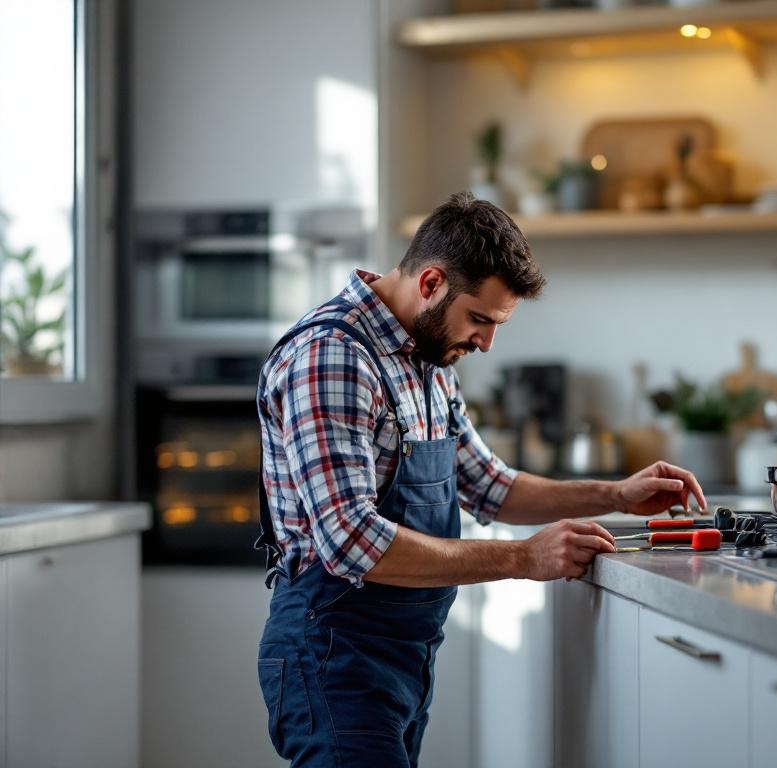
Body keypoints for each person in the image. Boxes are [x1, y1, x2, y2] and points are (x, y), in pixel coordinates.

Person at [255, 192, 706, 768]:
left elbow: (491, 486)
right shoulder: (334, 357)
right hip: (333, 651)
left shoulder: (425, 360)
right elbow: (351, 542)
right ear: (431, 283)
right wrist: (523, 559)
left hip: (401, 653)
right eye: (480, 319)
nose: (488, 343)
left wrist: (616, 494)